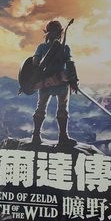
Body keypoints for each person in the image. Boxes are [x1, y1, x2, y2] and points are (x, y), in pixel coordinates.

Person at [31, 20, 78, 148]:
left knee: (41, 107)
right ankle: (63, 137)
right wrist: (73, 81)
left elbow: (35, 63)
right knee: (62, 109)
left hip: (46, 83)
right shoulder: (65, 48)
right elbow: (70, 64)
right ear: (59, 33)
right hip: (60, 83)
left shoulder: (42, 47)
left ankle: (36, 136)